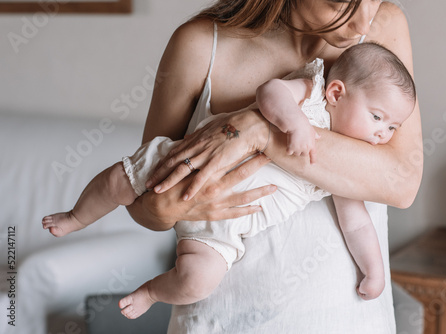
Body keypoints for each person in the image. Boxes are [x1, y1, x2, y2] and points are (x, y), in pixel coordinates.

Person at [42, 42, 416, 320]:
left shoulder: (344, 166)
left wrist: (375, 271)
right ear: (337, 94)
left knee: (196, 281)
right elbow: (269, 93)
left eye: (393, 127)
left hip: (222, 229)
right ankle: (76, 216)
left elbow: (357, 223)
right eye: (378, 117)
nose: (384, 134)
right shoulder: (313, 93)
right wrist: (294, 123)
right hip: (183, 165)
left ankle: (152, 292)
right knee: (117, 182)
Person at [123, 1, 422, 332]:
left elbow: (402, 181)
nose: (362, 22)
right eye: (340, 3)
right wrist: (167, 205)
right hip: (220, 322)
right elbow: (143, 201)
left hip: (345, 321)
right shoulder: (199, 44)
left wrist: (260, 131)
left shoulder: (383, 26)